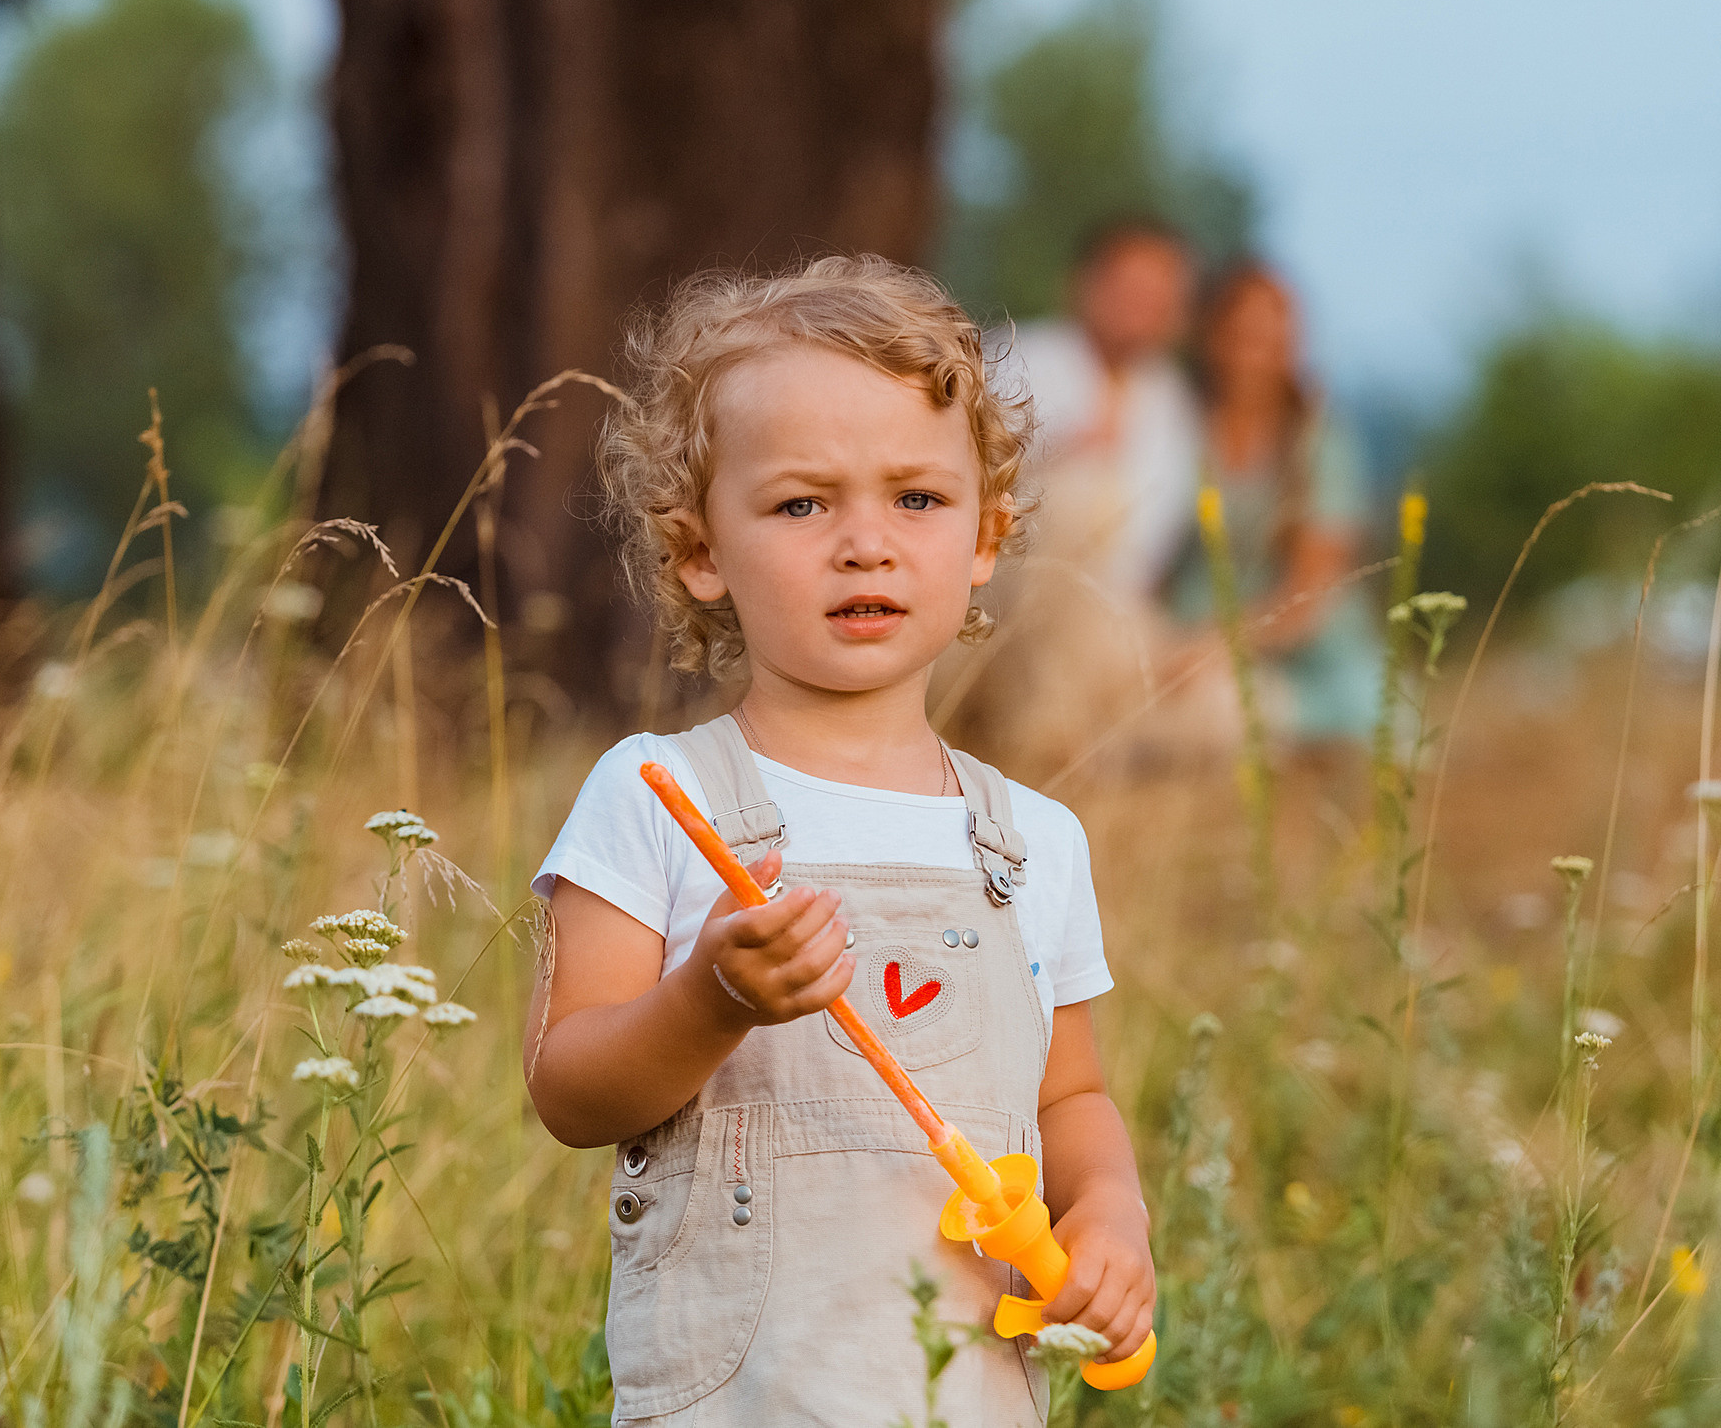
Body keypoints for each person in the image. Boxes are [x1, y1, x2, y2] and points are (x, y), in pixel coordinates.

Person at [526, 257, 1153, 1425]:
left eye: (916, 499)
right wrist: (707, 1001)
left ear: (985, 536)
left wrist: (1110, 1213)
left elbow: (1070, 1098)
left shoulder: (1034, 841)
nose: (865, 542)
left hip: (963, 1394)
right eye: (801, 503)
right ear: (698, 550)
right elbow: (567, 1090)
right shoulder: (660, 795)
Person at [1169, 259, 1384, 756]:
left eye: (1273, 336)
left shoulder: (1319, 440)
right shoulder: (1175, 417)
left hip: (1300, 658)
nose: (1255, 353)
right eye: (1241, 334)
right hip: (1180, 638)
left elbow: (1312, 593)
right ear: (1210, 335)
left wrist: (1213, 647)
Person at [1003, 220, 1204, 601]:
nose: (1142, 305)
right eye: (1129, 287)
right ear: (1086, 284)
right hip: (1017, 586)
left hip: (1118, 601)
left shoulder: (1170, 396)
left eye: (1159, 293)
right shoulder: (1018, 356)